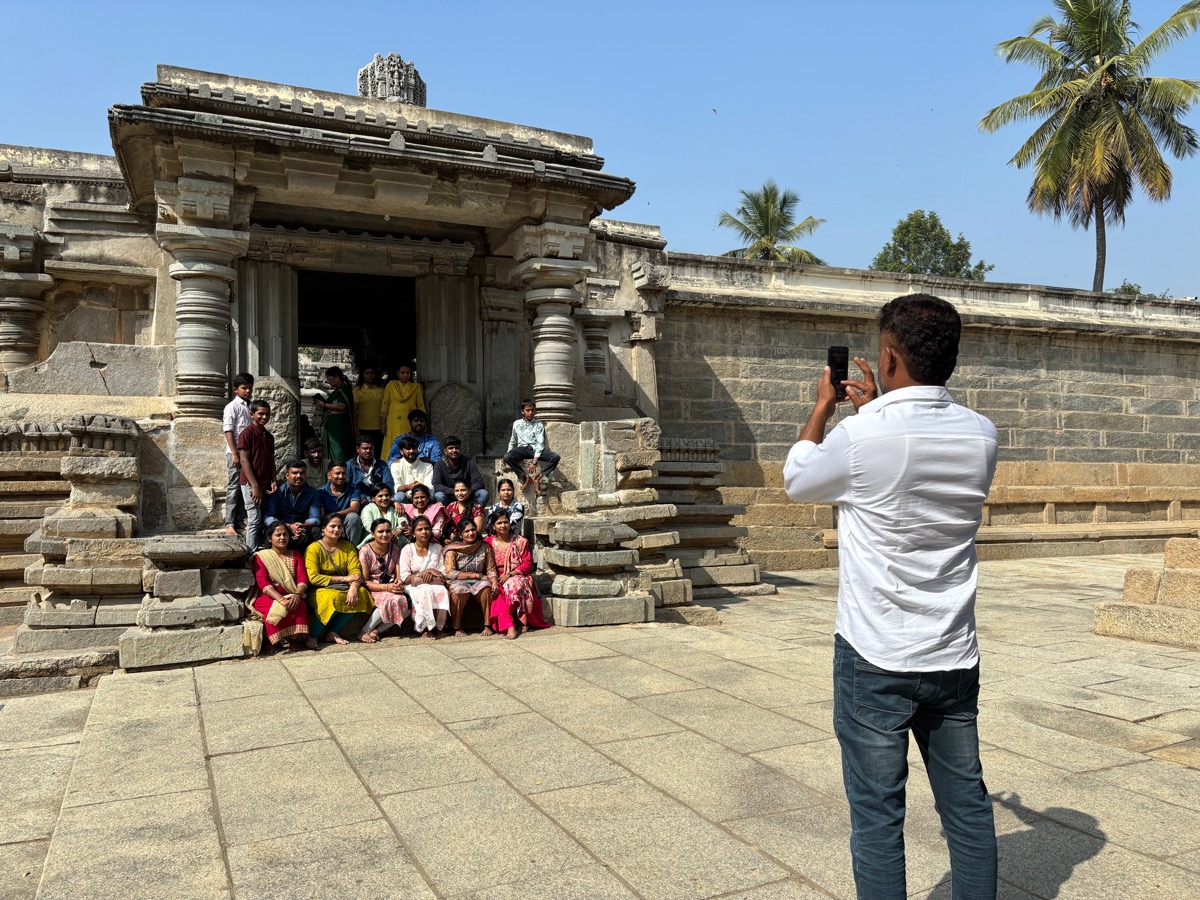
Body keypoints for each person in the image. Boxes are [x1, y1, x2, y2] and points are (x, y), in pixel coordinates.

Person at [782, 294, 999, 900]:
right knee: (967, 805)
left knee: (878, 816)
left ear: (888, 356)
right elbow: (911, 464)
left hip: (875, 654)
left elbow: (799, 478)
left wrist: (823, 408)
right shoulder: (982, 435)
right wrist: (877, 407)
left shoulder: (861, 435)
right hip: (951, 652)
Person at [304, 512, 372, 645]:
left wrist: (353, 587)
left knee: (362, 593)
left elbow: (355, 571)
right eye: (332, 526)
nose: (336, 530)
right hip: (320, 588)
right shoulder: (313, 549)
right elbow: (314, 578)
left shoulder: (348, 547)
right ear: (323, 529)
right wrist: (345, 579)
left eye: (339, 527)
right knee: (332, 598)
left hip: (344, 586)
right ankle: (313, 636)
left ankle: (333, 631)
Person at [249, 522, 318, 651]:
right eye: (278, 535)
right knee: (276, 607)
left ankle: (293, 639)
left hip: (291, 593)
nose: (282, 537)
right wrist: (281, 599)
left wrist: (297, 595)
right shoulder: (262, 557)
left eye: (285, 534)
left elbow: (303, 578)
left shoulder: (296, 555)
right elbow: (263, 583)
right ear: (270, 539)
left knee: (299, 604)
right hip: (268, 596)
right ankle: (271, 641)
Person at [485, 508, 547, 640]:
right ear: (493, 526)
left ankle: (512, 625)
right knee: (497, 592)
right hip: (494, 576)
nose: (503, 525)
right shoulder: (488, 543)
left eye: (505, 522)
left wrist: (510, 574)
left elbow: (527, 564)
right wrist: (494, 578)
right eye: (499, 523)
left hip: (516, 575)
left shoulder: (520, 541)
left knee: (513, 585)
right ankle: (512, 625)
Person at [443, 518, 498, 638]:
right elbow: (450, 573)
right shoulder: (452, 549)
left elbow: (491, 568)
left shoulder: (484, 546)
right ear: (460, 534)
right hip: (459, 580)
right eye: (467, 531)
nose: (471, 533)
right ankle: (456, 627)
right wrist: (476, 575)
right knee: (458, 591)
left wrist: (494, 582)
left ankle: (488, 625)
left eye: (473, 530)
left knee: (487, 588)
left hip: (479, 582)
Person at [358, 518, 408, 644]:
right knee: (392, 599)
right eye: (380, 531)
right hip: (373, 587)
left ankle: (377, 631)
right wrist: (386, 588)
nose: (385, 534)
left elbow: (398, 576)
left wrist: (398, 583)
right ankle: (364, 631)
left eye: (388, 531)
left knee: (410, 602)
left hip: (390, 586)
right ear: (372, 534)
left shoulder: (395, 549)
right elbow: (365, 582)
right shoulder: (365, 551)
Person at [400, 515, 450, 638]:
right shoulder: (407, 549)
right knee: (425, 590)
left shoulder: (437, 548)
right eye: (420, 529)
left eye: (427, 529)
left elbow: (442, 573)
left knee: (442, 590)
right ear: (413, 533)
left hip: (435, 581)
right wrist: (424, 573)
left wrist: (432, 572)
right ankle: (425, 626)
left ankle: (440, 626)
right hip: (414, 584)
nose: (424, 532)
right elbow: (405, 577)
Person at [237, 399, 277, 552]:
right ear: (252, 414)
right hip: (250, 483)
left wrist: (273, 479)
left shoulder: (269, 436)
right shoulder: (247, 433)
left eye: (267, 414)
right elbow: (243, 460)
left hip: (265, 483)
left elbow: (271, 460)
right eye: (261, 414)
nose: (264, 417)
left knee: (265, 518)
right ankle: (250, 554)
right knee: (254, 519)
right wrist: (254, 486)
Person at [504, 400, 560, 494]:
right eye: (528, 410)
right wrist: (508, 452)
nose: (531, 412)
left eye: (533, 410)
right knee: (507, 457)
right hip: (522, 449)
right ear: (522, 411)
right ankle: (524, 476)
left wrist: (534, 462)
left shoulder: (539, 425)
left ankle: (538, 478)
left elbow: (540, 444)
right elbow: (513, 440)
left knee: (555, 457)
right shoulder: (517, 423)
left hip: (535, 450)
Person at [222, 373, 254, 536]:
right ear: (236, 389)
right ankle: (230, 522)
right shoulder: (232, 407)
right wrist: (234, 453)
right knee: (234, 487)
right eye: (244, 388)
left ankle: (241, 519)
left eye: (250, 388)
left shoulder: (251, 406)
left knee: (245, 487)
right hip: (236, 452)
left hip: (248, 454)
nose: (247, 391)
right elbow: (228, 430)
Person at [264, 459, 320, 550]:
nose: (299, 476)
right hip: (282, 527)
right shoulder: (277, 491)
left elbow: (315, 518)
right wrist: (289, 526)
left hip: (302, 528)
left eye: (302, 473)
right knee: (271, 530)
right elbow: (269, 518)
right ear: (287, 475)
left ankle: (312, 557)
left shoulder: (313, 493)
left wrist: (301, 526)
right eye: (295, 473)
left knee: (316, 530)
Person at [314, 463, 366, 545]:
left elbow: (354, 509)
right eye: (337, 473)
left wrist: (335, 515)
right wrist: (333, 520)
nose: (341, 476)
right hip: (329, 524)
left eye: (344, 473)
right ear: (329, 475)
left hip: (346, 525)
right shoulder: (320, 491)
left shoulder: (354, 488)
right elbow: (322, 516)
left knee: (353, 517)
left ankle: (353, 548)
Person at [380, 363, 425, 456]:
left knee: (409, 443)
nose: (405, 375)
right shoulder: (390, 386)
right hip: (393, 422)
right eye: (403, 373)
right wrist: (383, 424)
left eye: (407, 373)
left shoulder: (416, 387)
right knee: (392, 443)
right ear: (397, 373)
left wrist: (423, 423)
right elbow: (385, 405)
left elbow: (420, 406)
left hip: (410, 422)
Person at [315, 365, 355, 467]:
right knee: (333, 451)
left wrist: (324, 405)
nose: (328, 381)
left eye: (329, 379)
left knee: (339, 451)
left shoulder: (343, 389)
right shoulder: (338, 390)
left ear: (337, 377)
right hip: (333, 425)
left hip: (339, 427)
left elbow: (342, 406)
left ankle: (341, 470)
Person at [431, 436, 488, 506]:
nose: (454, 450)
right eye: (451, 448)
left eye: (457, 448)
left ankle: (473, 512)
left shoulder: (469, 462)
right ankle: (447, 513)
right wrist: (455, 491)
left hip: (467, 495)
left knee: (483, 493)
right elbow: (436, 484)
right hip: (449, 495)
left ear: (460, 449)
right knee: (439, 495)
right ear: (445, 451)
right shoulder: (439, 464)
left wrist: (465, 491)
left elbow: (479, 482)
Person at [359, 483, 408, 548]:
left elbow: (403, 521)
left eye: (387, 495)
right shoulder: (367, 509)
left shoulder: (396, 508)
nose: (384, 498)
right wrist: (388, 534)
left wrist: (399, 530)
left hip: (394, 539)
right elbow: (368, 526)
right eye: (380, 496)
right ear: (373, 498)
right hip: (373, 540)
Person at [389, 435, 434, 504]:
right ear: (401, 451)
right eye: (408, 448)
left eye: (414, 448)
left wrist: (419, 487)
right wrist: (409, 486)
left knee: (433, 496)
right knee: (399, 496)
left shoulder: (427, 466)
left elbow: (429, 486)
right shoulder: (396, 466)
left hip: (422, 496)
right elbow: (397, 487)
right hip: (405, 497)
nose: (412, 451)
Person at [354, 365, 385, 458]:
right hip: (363, 428)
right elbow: (354, 412)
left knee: (378, 454)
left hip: (379, 428)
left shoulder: (382, 390)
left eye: (372, 373)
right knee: (364, 455)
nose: (370, 375)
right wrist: (355, 429)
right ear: (362, 375)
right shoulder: (357, 390)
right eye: (367, 373)